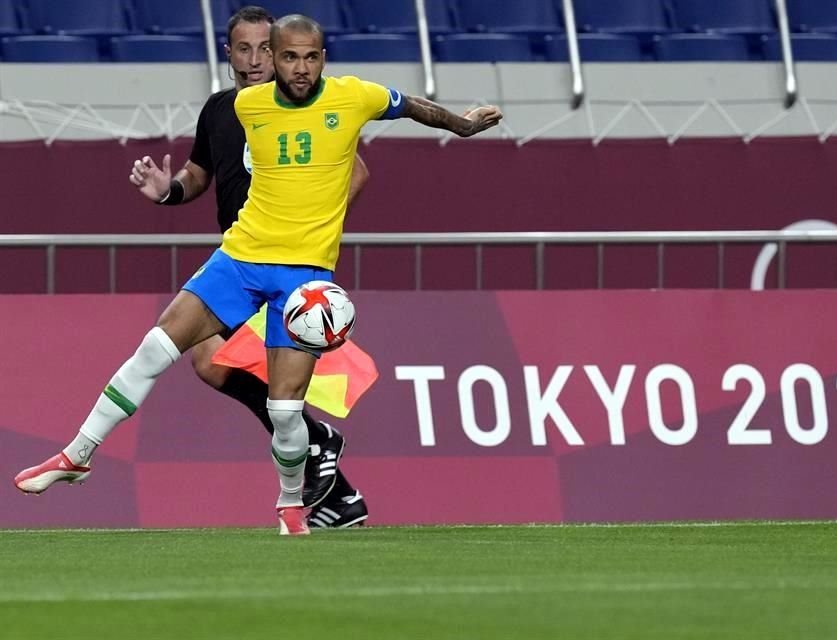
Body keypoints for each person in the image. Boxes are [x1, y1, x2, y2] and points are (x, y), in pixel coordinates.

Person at [14, 13, 503, 536]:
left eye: (307, 57)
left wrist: (463, 125)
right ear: (260, 55)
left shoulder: (352, 96)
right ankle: (77, 454)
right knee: (156, 348)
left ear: (320, 59)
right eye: (285, 55)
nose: (294, 66)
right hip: (241, 257)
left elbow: (412, 107)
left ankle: (292, 507)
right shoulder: (244, 107)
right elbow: (208, 166)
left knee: (285, 411)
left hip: (305, 277)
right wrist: (173, 189)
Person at [134, 6, 369, 528]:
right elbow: (198, 174)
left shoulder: (301, 107)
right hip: (242, 259)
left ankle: (322, 451)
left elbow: (356, 171)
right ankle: (338, 488)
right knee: (213, 362)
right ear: (229, 54)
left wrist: (310, 227)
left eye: (267, 48)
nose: (257, 58)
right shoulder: (223, 109)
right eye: (245, 48)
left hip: (290, 262)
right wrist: (169, 192)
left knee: (215, 360)